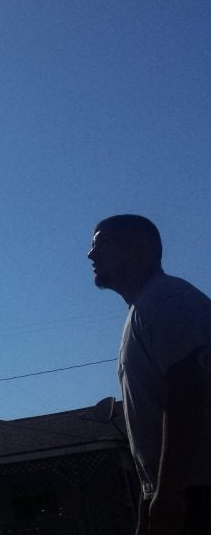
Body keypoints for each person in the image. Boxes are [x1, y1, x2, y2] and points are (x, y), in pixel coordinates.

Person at [88, 214, 211, 535]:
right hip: (183, 489)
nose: (91, 254)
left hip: (199, 489)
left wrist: (169, 492)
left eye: (102, 243)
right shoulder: (143, 309)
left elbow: (187, 390)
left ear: (139, 248)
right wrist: (151, 500)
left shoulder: (166, 298)